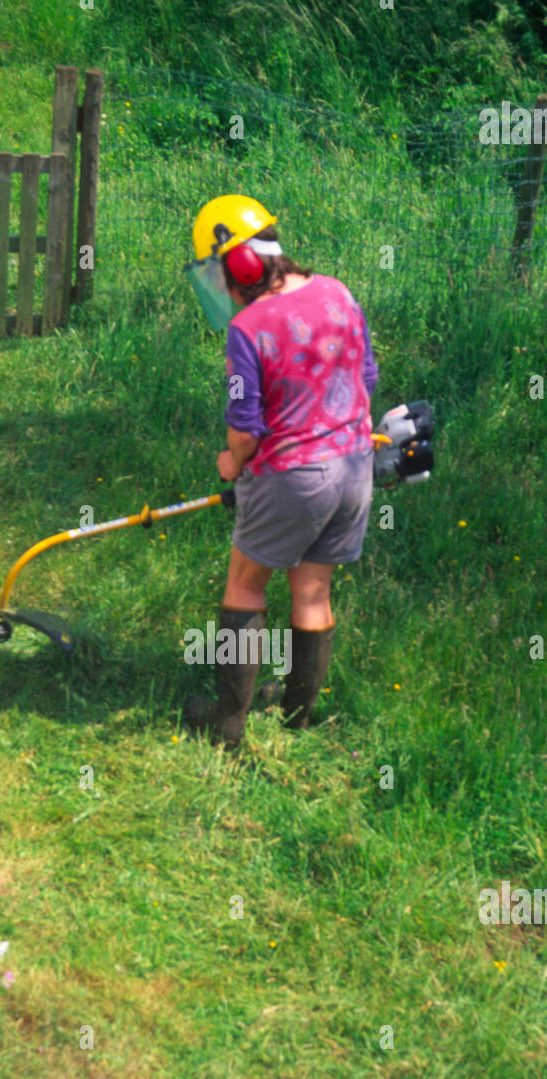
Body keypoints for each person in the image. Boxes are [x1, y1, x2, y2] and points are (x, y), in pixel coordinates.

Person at [182, 195, 378, 749]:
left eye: (217, 272)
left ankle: (227, 722)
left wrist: (230, 462)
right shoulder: (338, 290)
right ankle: (297, 717)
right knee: (313, 593)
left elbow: (246, 429)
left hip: (291, 478)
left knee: (245, 586)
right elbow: (366, 377)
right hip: (354, 468)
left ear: (238, 264)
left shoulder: (247, 327)